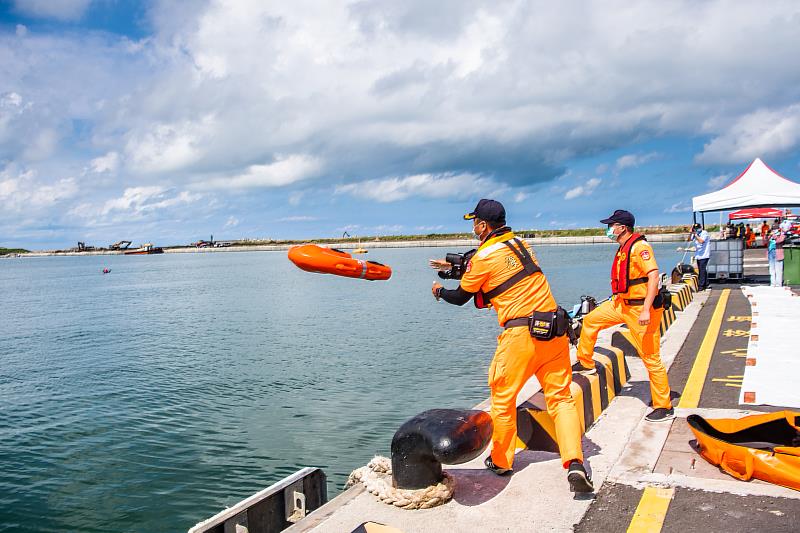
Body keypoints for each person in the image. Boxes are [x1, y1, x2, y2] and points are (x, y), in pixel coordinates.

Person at [430, 199, 593, 492]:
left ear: (482, 225)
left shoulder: (483, 256)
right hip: (554, 330)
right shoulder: (521, 245)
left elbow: (461, 296)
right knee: (561, 400)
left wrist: (440, 289)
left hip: (521, 337)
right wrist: (457, 266)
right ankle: (575, 462)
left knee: (503, 399)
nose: (473, 228)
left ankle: (502, 461)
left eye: (474, 223)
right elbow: (505, 274)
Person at [572, 210, 674, 422]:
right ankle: (586, 362)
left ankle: (664, 406)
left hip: (639, 310)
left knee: (650, 357)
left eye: (612, 225)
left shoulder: (640, 247)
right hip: (621, 305)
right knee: (590, 320)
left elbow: (654, 276)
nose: (609, 229)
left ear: (623, 228)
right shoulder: (622, 249)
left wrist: (646, 309)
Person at [690, 223, 711, 290]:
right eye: (696, 228)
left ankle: (701, 286)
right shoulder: (695, 234)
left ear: (701, 227)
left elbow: (701, 241)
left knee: (702, 270)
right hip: (698, 255)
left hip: (704, 254)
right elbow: (690, 240)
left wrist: (695, 234)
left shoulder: (704, 233)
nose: (697, 229)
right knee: (702, 270)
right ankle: (706, 284)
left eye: (698, 228)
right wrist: (691, 233)